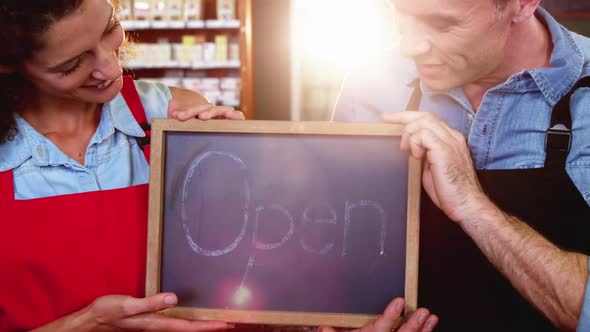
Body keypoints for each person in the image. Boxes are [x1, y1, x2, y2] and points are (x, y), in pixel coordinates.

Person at [0, 1, 437, 331]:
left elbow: (260, 277)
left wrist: (250, 169)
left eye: (111, 28)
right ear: (10, 65)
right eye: (73, 64)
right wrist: (84, 324)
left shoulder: (179, 119)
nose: (110, 66)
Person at [333, 0, 590, 331]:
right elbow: (334, 259)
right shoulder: (369, 86)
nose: (410, 46)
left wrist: (473, 205)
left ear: (522, 4)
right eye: (399, 12)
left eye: (442, 25)